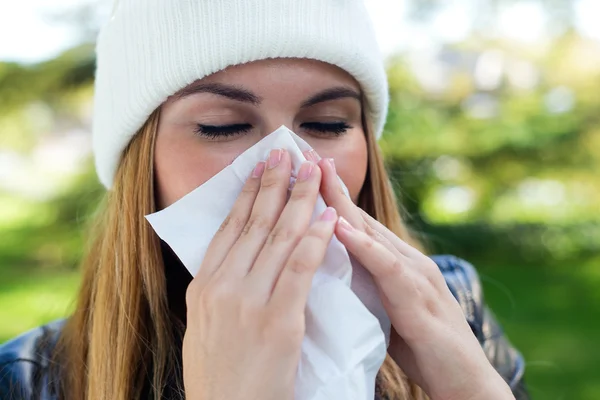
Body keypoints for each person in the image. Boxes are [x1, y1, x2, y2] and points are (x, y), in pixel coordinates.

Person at [0, 0, 528, 399]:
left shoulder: (453, 305)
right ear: (140, 162)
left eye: (327, 123)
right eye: (220, 126)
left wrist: (474, 387)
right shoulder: (30, 376)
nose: (290, 165)